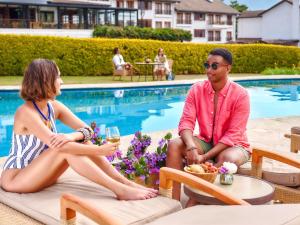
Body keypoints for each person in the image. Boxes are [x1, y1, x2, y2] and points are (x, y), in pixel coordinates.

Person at [0, 59, 157, 200]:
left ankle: (123, 181)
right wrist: (100, 150)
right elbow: (58, 146)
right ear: (45, 81)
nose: (61, 81)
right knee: (64, 149)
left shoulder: (54, 107)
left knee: (81, 141)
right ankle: (119, 189)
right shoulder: (25, 112)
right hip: (17, 178)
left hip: (42, 174)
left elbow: (88, 130)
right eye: (58, 77)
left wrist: (72, 136)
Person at [166, 48, 250, 201]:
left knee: (227, 158)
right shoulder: (196, 90)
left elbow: (233, 135)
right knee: (174, 145)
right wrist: (191, 147)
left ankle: (196, 199)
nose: (209, 70)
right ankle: (173, 201)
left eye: (215, 66)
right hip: (206, 141)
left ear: (228, 68)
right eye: (207, 65)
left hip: (235, 145)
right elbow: (186, 122)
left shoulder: (240, 94)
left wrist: (204, 157)